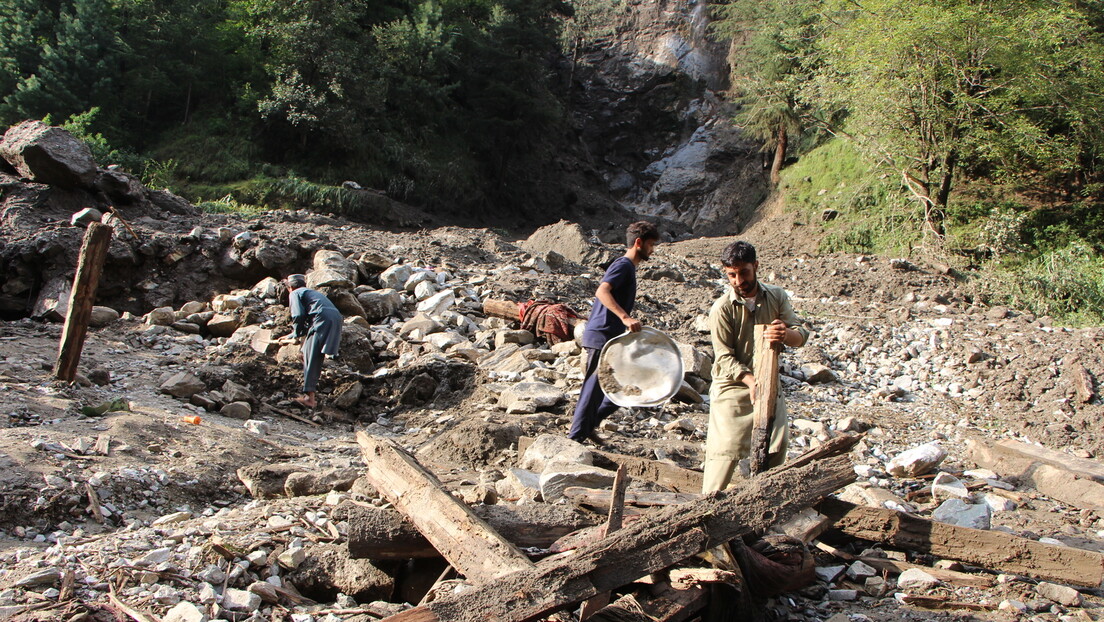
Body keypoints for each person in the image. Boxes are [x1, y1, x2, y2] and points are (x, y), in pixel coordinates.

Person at [703, 241, 809, 492]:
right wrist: (751, 382)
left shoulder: (776, 296)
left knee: (776, 445)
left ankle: (763, 501)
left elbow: (800, 335)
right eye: (732, 275)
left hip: (768, 380)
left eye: (744, 272)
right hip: (733, 386)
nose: (739, 280)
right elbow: (724, 358)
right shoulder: (722, 309)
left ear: (756, 267)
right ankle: (707, 505)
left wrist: (785, 334)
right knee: (725, 450)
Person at [568, 221, 660, 444]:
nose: (652, 250)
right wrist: (625, 317)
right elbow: (602, 290)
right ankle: (575, 438)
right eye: (650, 244)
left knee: (624, 387)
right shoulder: (623, 265)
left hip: (612, 338)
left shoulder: (628, 268)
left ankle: (588, 425)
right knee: (593, 390)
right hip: (602, 335)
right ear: (638, 243)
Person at [285, 274, 343, 408]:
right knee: (304, 354)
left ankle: (309, 399)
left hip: (321, 320)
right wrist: (296, 335)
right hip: (335, 319)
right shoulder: (311, 293)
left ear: (290, 287)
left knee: (310, 356)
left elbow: (298, 315)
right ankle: (310, 390)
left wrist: (296, 333)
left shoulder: (295, 293)